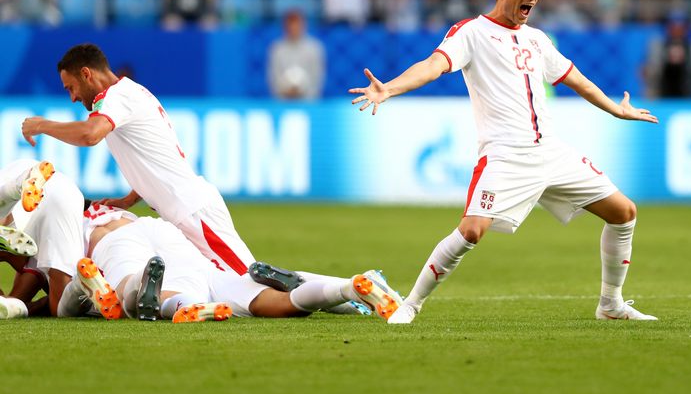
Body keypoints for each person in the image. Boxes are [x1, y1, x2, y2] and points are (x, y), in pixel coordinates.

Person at [350, 0, 659, 324]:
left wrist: (615, 109)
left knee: (624, 212)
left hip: (551, 152)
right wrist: (390, 90)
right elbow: (433, 66)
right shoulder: (471, 32)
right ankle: (411, 304)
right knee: (471, 232)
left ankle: (610, 304)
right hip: (506, 157)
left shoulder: (537, 39)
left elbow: (576, 79)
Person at [20, 44, 257, 275]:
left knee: (250, 281)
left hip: (193, 211)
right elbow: (150, 155)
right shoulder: (126, 94)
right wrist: (128, 200)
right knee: (223, 287)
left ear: (86, 74)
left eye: (70, 87)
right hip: (183, 211)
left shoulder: (117, 97)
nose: (72, 97)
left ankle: (296, 292)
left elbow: (89, 135)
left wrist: (42, 124)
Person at [57, 203, 403, 323]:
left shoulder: (73, 220)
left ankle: (176, 303)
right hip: (170, 237)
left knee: (127, 294)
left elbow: (54, 278)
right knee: (274, 304)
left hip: (115, 240)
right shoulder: (118, 211)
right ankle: (348, 287)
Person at [0, 160, 82, 318]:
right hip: (56, 189)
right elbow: (25, 268)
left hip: (33, 182)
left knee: (60, 307)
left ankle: (20, 185)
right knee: (60, 306)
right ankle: (19, 185)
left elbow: (26, 269)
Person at [268, 10, 327, 100]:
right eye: (291, 26)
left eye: (296, 25)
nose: (294, 29)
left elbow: (317, 77)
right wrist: (284, 92)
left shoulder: (314, 48)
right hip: (283, 102)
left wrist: (305, 94)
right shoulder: (277, 49)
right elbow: (273, 77)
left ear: (303, 26)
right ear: (285, 27)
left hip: (308, 102)